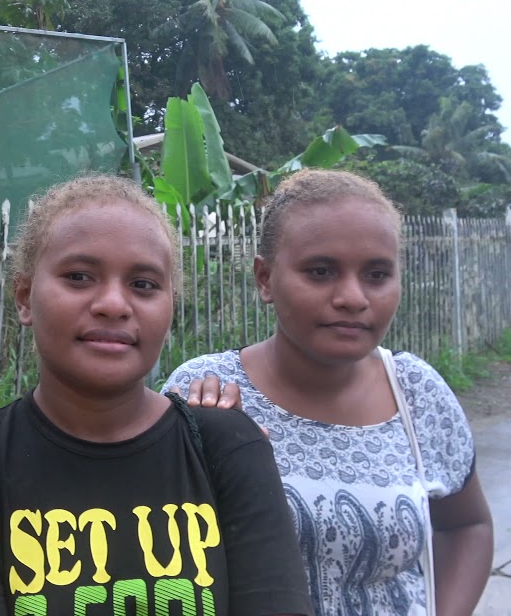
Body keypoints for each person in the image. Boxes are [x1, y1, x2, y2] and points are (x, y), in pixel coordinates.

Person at [0, 174, 313, 616]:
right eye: (79, 277)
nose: (114, 304)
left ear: (170, 305)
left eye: (143, 284)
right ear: (24, 297)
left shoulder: (228, 447)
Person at [164, 169, 493, 616]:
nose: (353, 297)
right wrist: (210, 441)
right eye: (320, 272)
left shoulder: (417, 391)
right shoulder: (207, 391)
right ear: (265, 278)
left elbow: (467, 525)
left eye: (377, 274)